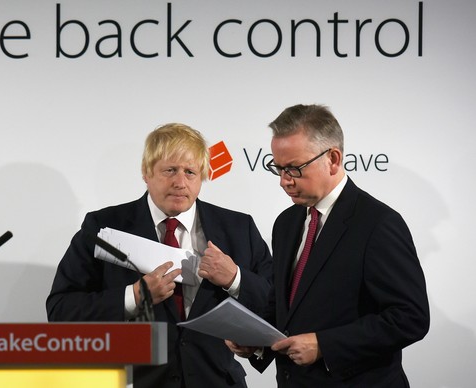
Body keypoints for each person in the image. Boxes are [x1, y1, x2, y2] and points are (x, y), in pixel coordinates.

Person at [46, 123, 273, 388]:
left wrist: (235, 278)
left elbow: (277, 304)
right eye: (170, 170)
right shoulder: (103, 227)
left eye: (190, 172)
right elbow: (61, 310)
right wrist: (135, 296)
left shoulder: (238, 228)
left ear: (203, 177)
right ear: (146, 172)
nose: (180, 182)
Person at [226, 104, 429, 387]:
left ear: (333, 159)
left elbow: (410, 318)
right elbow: (285, 306)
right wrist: (256, 342)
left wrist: (325, 344)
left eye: (294, 169)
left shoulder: (378, 223)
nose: (284, 181)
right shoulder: (286, 222)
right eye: (278, 169)